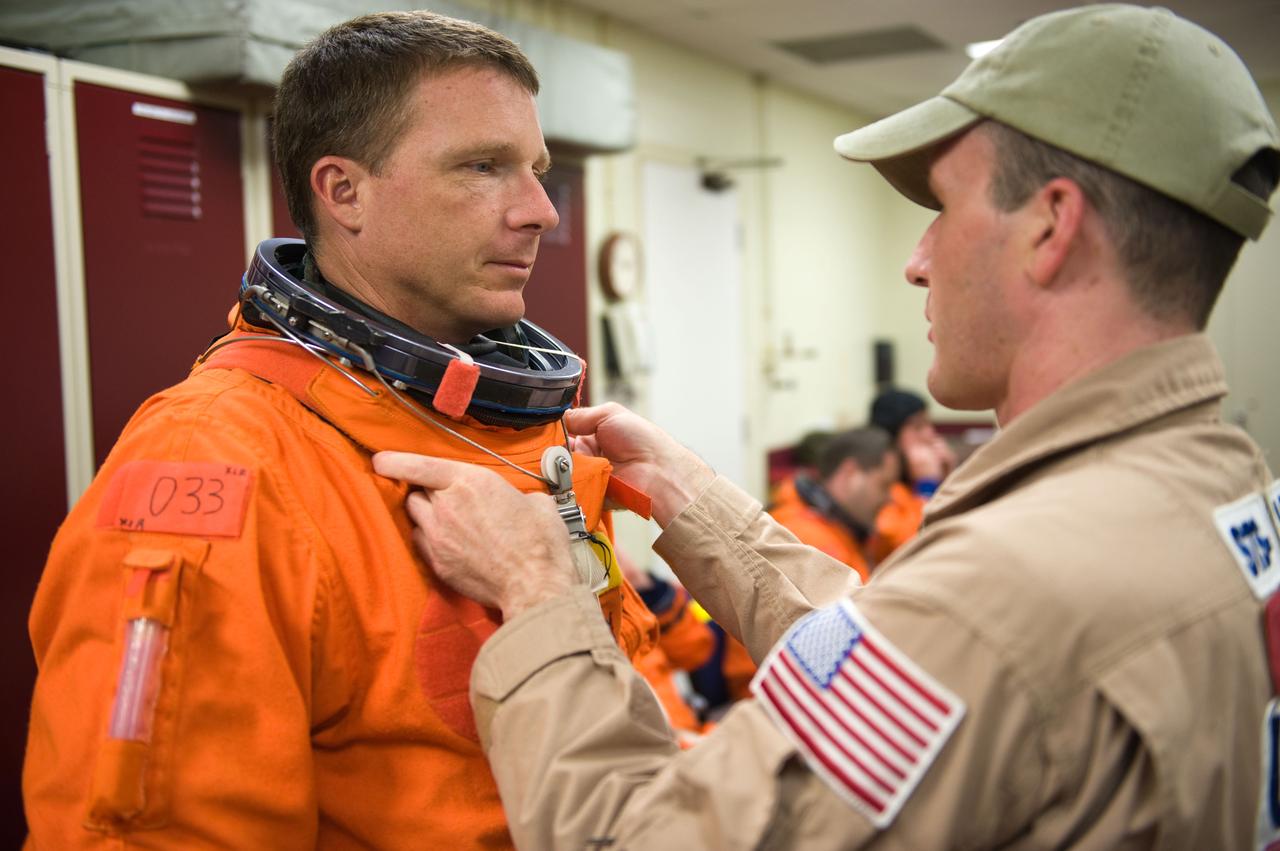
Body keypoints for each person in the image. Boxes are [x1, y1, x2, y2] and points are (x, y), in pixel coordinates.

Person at [374, 5, 1280, 847]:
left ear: (1051, 227)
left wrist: (537, 592)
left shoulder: (1010, 583)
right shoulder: (1219, 483)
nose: (917, 262)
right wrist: (702, 508)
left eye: (943, 210)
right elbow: (928, 665)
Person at [22, 11, 656, 848]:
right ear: (343, 191)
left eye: (535, 170)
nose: (541, 209)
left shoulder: (508, 432)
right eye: (483, 166)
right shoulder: (218, 459)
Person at [769, 427, 899, 581]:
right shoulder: (811, 541)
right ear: (850, 473)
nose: (890, 498)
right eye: (884, 485)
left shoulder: (847, 526)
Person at [867, 389, 955, 564]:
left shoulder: (912, 481)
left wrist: (949, 479)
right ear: (890, 436)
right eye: (917, 427)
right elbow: (908, 550)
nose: (930, 435)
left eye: (929, 425)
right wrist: (927, 486)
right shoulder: (879, 486)